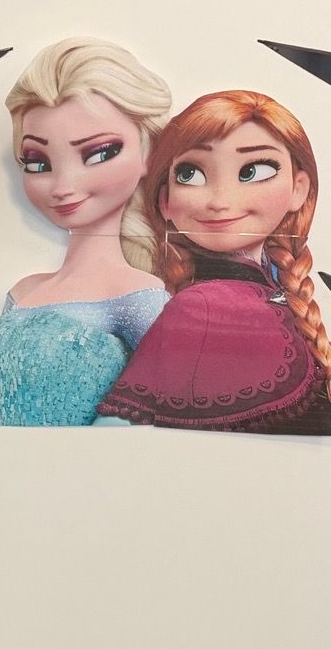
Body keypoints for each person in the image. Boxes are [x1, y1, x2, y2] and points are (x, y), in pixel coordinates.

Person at [98, 88, 331, 434]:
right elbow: (111, 434)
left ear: (299, 188)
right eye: (190, 174)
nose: (220, 201)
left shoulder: (274, 293)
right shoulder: (203, 306)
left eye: (253, 170)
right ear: (165, 201)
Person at [0, 38, 171, 426]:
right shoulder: (23, 291)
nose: (63, 186)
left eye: (99, 153)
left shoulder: (139, 298)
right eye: (38, 162)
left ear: (147, 153)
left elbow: (167, 412)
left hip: (95, 465)